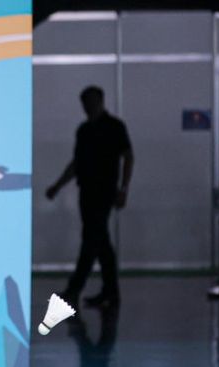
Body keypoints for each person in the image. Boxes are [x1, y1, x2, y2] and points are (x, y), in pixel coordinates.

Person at [46, 86, 134, 310]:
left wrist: (123, 189)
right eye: (85, 102)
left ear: (101, 101)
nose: (88, 106)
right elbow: (77, 163)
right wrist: (57, 186)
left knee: (91, 240)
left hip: (104, 192)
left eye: (92, 102)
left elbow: (128, 157)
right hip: (87, 192)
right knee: (100, 243)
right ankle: (110, 292)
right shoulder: (84, 131)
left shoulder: (114, 127)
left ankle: (74, 290)